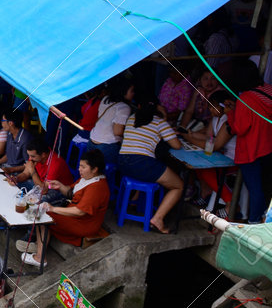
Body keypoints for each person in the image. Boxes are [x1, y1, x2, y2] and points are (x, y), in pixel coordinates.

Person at [19, 149, 112, 267]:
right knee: (42, 211)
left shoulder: (97, 187)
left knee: (44, 216)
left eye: (83, 167)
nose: (80, 169)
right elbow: (70, 193)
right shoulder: (87, 178)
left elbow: (80, 212)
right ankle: (39, 243)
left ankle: (39, 258)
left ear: (95, 169)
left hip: (84, 223)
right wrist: (60, 186)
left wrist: (53, 209)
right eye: (80, 166)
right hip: (75, 216)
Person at [118, 94, 187, 233]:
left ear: (138, 106)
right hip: (141, 164)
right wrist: (164, 117)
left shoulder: (132, 118)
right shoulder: (159, 122)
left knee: (150, 166)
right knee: (178, 185)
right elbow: (177, 145)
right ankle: (158, 219)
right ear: (157, 108)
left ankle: (135, 196)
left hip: (123, 162)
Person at [226, 60, 272, 222]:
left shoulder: (245, 99)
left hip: (252, 148)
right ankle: (261, 215)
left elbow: (240, 128)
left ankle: (254, 220)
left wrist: (230, 113)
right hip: (269, 145)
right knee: (263, 186)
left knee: (254, 188)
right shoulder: (270, 89)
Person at [88, 77, 134, 162]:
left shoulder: (106, 99)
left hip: (91, 142)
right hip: (106, 147)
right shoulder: (124, 107)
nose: (133, 94)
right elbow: (117, 132)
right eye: (132, 91)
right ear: (123, 91)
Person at [0, 107, 32, 174]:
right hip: (7, 166)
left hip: (18, 173)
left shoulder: (25, 139)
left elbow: (28, 164)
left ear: (10, 123)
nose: (1, 123)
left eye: (3, 121)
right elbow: (9, 155)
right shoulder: (9, 133)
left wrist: (11, 170)